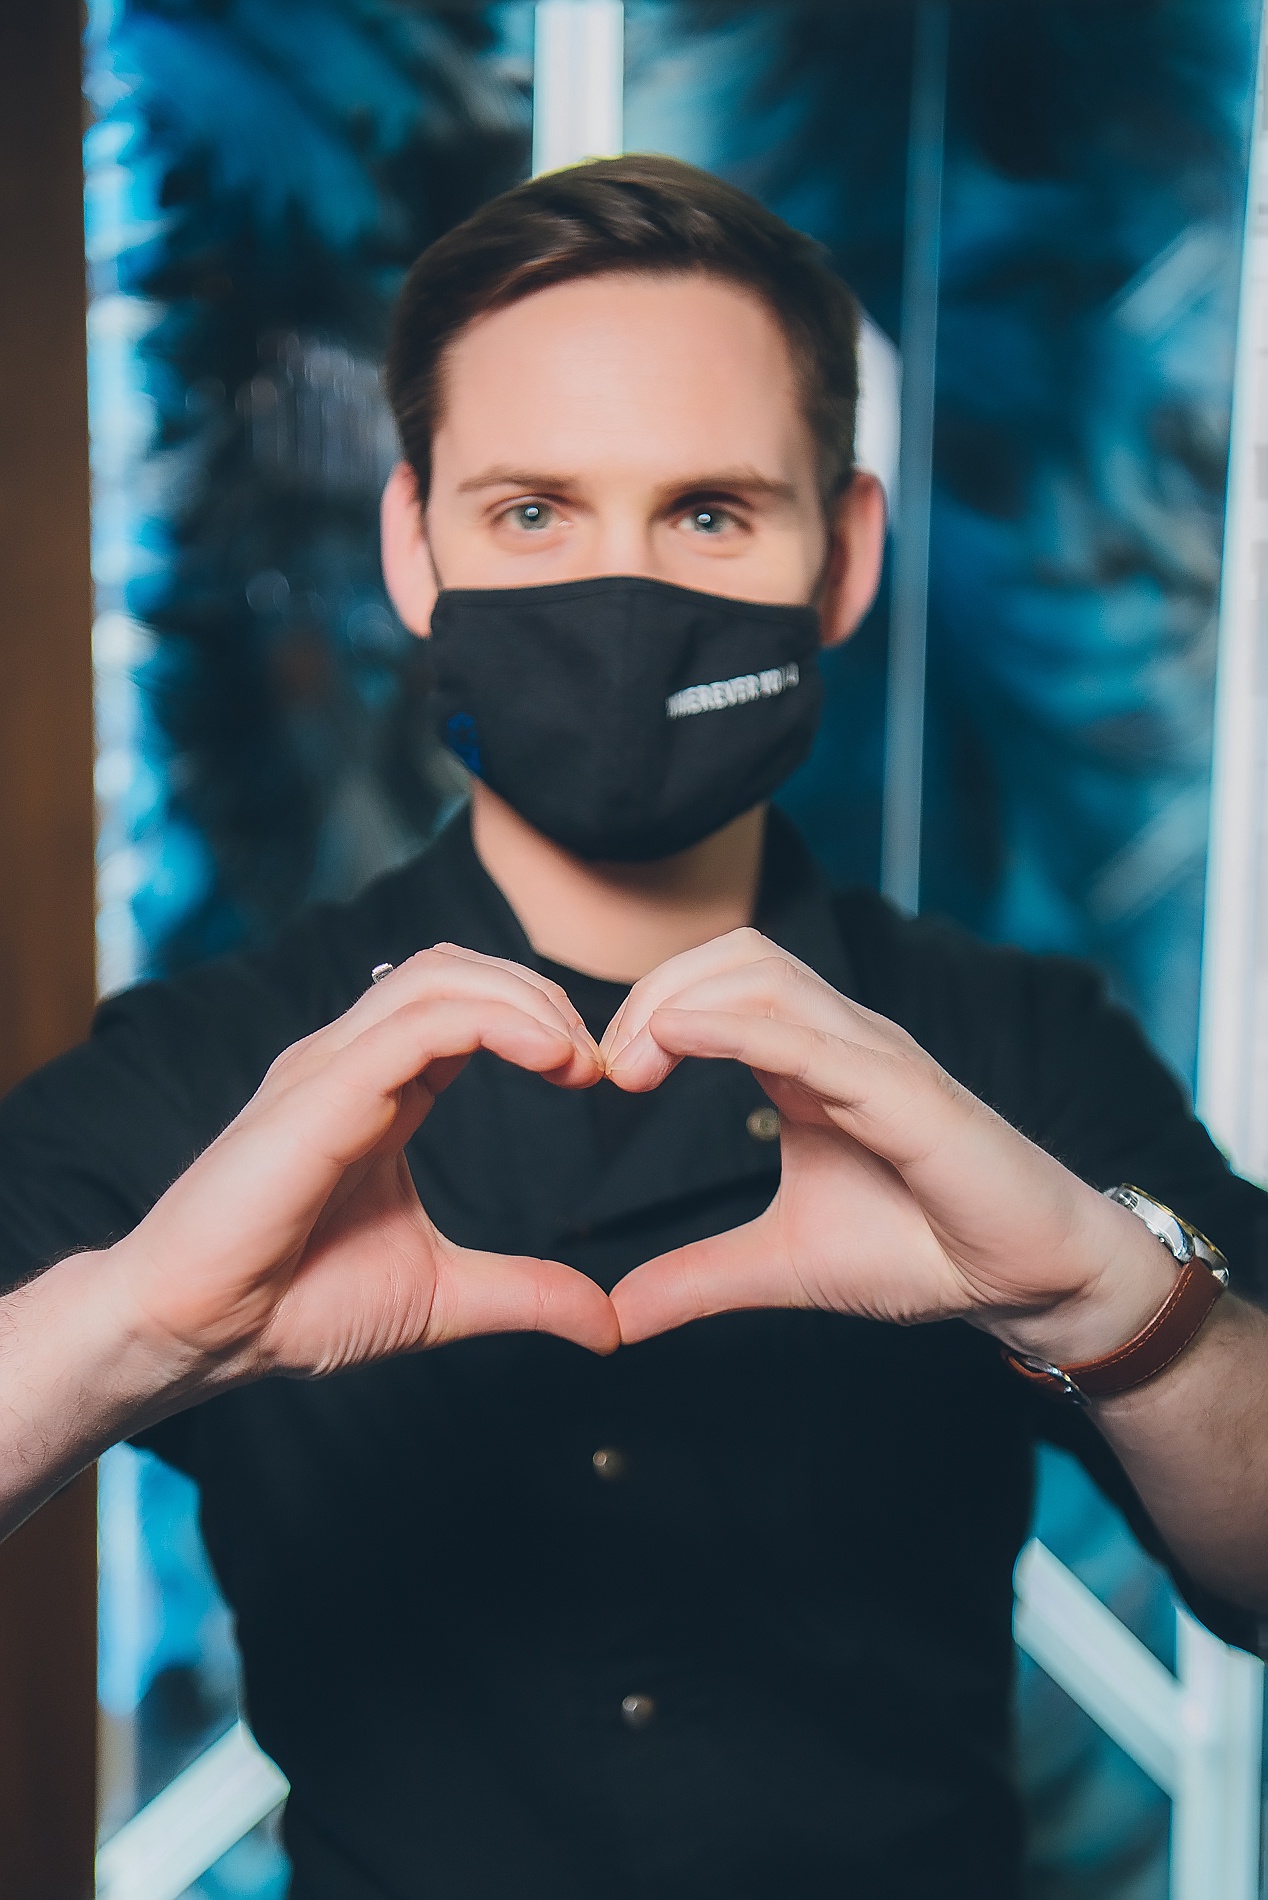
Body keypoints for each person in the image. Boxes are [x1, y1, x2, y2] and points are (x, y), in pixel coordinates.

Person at [2, 155, 1267, 1899]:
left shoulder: (1014, 1045)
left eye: (711, 514)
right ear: (414, 546)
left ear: (844, 555)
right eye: (534, 512)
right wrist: (133, 1324)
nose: (622, 595)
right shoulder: (210, 1071)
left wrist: (1118, 1314)